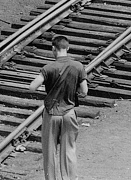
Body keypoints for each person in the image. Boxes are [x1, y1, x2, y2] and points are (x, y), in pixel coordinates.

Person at [27, 35, 89, 180]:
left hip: (51, 113)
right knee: (69, 150)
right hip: (69, 114)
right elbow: (84, 92)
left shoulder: (48, 68)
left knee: (50, 151)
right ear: (68, 48)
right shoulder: (78, 66)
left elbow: (32, 87)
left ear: (53, 49)